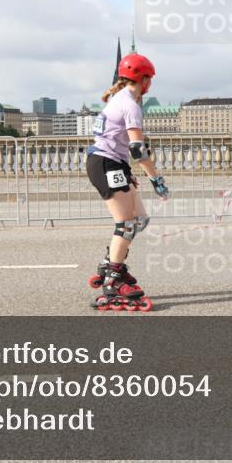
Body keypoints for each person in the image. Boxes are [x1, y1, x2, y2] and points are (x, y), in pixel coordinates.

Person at [85, 52, 169, 312]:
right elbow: (138, 150)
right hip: (106, 163)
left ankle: (112, 261)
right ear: (143, 80)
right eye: (150, 80)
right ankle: (113, 280)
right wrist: (156, 179)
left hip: (114, 163)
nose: (150, 84)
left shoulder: (119, 97)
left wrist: (127, 171)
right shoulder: (131, 105)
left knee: (139, 221)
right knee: (126, 224)